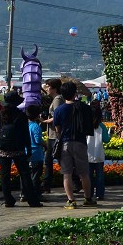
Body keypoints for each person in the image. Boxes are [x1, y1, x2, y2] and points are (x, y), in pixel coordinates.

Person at [0, 89, 43, 208]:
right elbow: (26, 134)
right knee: (25, 174)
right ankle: (32, 200)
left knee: (5, 175)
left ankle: (8, 200)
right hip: (18, 148)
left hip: (3, 149)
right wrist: (28, 149)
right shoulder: (21, 115)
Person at [52, 81, 95, 209]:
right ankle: (88, 198)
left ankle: (71, 201)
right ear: (75, 93)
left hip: (65, 143)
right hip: (80, 142)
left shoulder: (59, 110)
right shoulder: (84, 108)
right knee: (84, 173)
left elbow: (57, 129)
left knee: (67, 173)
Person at [40, 78, 64, 194]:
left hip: (55, 135)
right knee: (49, 159)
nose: (46, 88)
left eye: (48, 86)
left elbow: (57, 117)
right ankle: (46, 184)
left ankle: (75, 181)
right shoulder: (55, 99)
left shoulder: (58, 100)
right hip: (52, 134)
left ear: (54, 88)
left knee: (58, 159)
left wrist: (45, 121)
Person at [86, 99, 110, 201]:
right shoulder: (102, 126)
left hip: (87, 155)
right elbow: (106, 140)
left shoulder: (85, 125)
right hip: (99, 155)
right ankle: (100, 194)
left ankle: (89, 194)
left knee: (89, 176)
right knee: (100, 176)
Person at [24, 104, 47, 201]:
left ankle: (25, 194)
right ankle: (35, 194)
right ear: (38, 116)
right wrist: (45, 144)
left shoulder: (26, 126)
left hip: (26, 153)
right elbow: (38, 140)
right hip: (36, 154)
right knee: (36, 176)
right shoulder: (36, 126)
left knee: (28, 175)